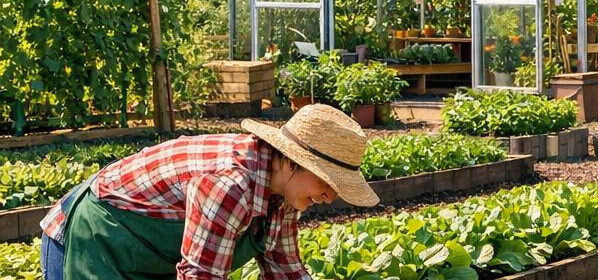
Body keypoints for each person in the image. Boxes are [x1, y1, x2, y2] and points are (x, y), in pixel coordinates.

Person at [37, 105, 377, 279]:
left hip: (147, 258)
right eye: (327, 183)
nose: (330, 197)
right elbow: (201, 275)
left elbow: (286, 271)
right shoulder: (231, 185)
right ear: (291, 162)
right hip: (93, 239)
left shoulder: (284, 198)